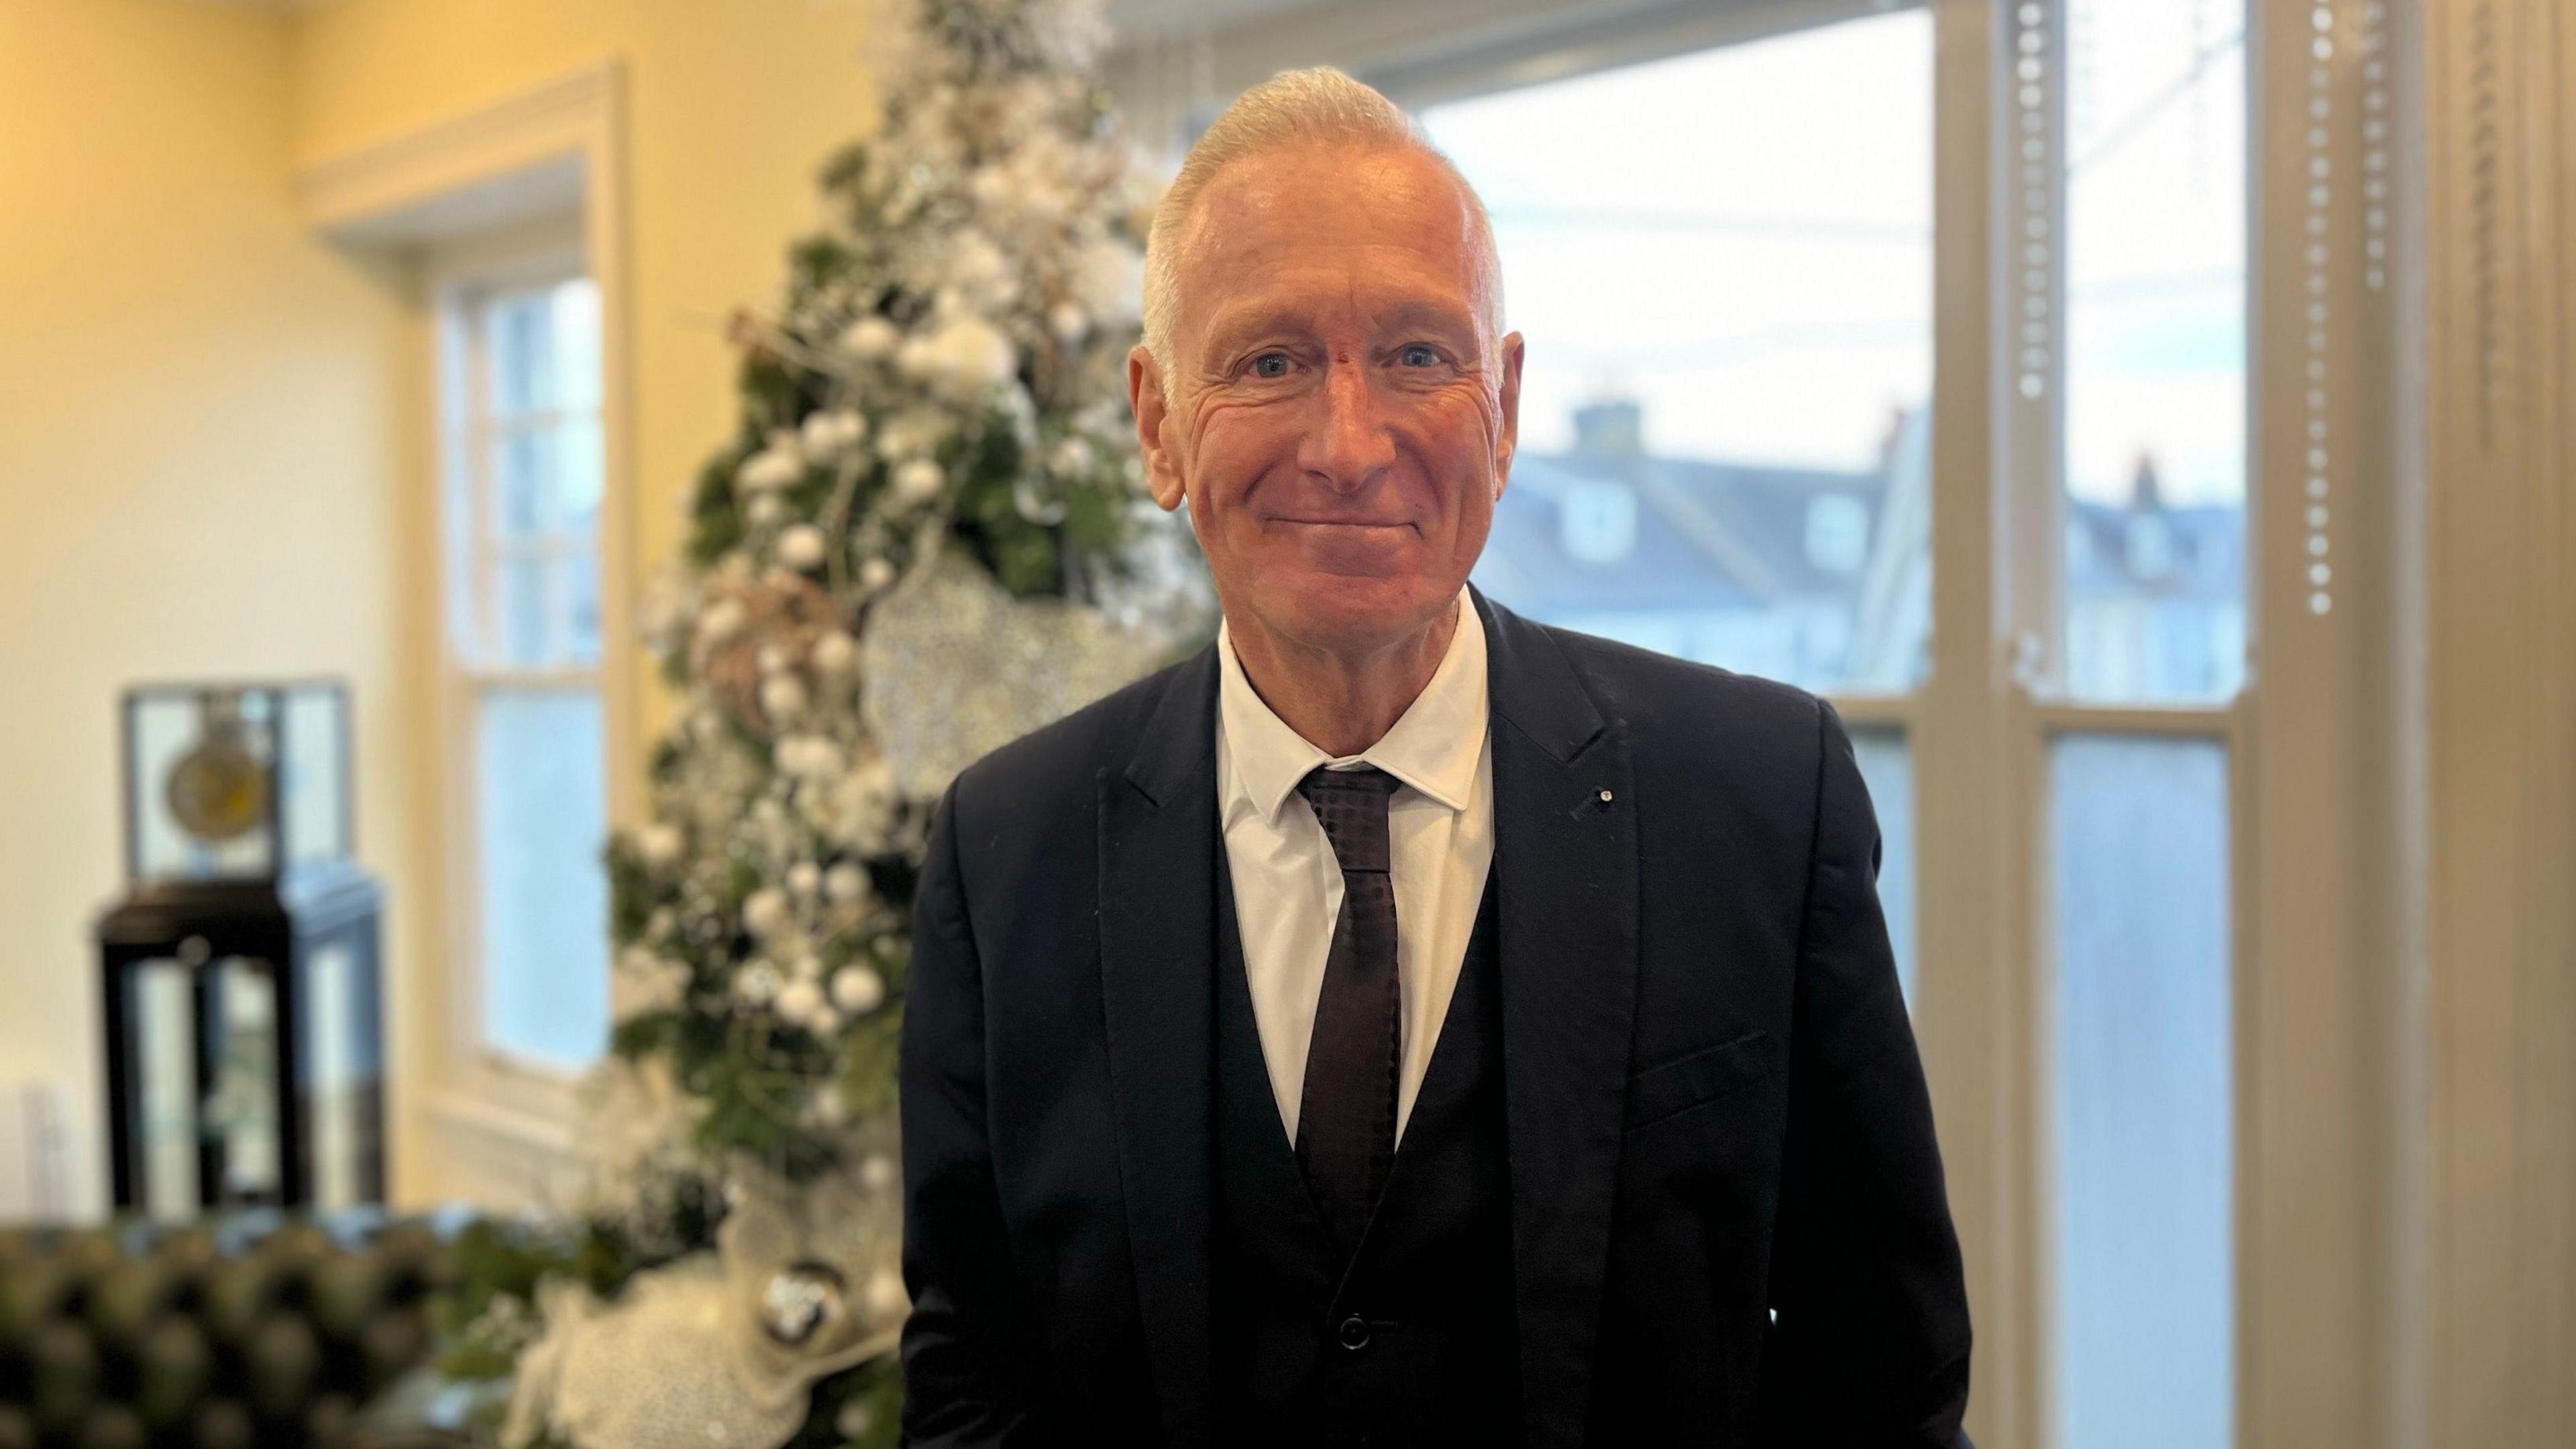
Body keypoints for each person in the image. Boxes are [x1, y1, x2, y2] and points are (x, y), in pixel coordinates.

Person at [899, 65, 1972, 1448]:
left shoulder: (1761, 797)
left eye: (1416, 353)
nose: (1351, 446)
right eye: (1271, 361)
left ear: (1505, 403)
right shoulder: (1009, 852)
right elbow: (973, 1385)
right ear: (1158, 422)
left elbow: (1880, 1375)